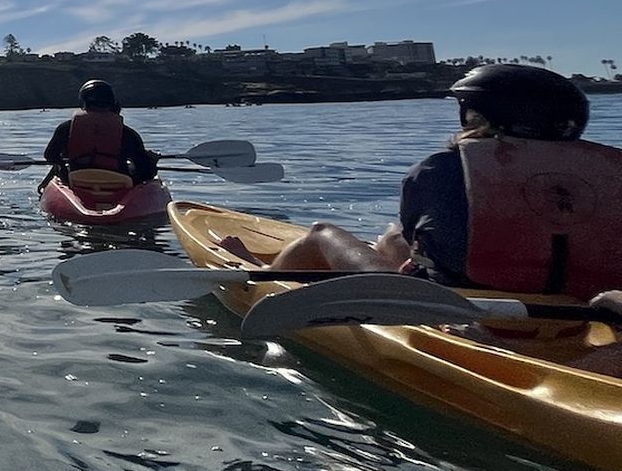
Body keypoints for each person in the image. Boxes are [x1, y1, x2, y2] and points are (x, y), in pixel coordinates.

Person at [247, 65, 622, 299]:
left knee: (321, 231)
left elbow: (443, 254)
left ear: (476, 116)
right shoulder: (605, 176)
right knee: (394, 237)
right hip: (582, 302)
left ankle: (259, 278)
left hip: (455, 306)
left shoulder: (443, 169)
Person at [41, 80, 158, 185]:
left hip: (77, 180)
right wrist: (152, 161)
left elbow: (50, 155)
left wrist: (61, 164)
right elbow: (145, 171)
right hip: (117, 182)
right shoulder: (128, 133)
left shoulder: (66, 128)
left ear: (84, 102)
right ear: (112, 102)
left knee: (59, 166)